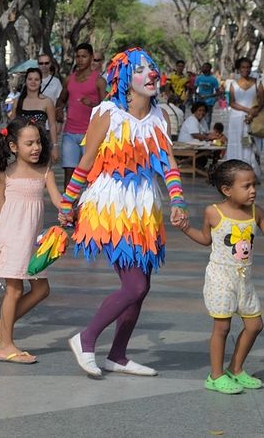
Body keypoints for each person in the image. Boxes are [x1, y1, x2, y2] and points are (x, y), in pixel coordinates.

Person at [60, 47, 187, 379]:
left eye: (152, 67)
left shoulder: (160, 117)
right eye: (141, 69)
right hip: (109, 208)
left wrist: (178, 200)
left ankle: (117, 354)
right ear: (125, 79)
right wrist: (66, 204)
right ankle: (86, 338)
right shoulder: (108, 113)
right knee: (134, 287)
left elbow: (169, 164)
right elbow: (85, 163)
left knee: (142, 285)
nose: (151, 73)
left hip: (143, 209)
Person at [177, 160, 264, 394]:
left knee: (255, 325)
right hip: (220, 278)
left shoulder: (257, 213)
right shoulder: (213, 212)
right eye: (246, 186)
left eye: (254, 184)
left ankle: (235, 369)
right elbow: (206, 239)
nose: (253, 190)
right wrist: (186, 229)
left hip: (244, 280)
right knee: (222, 327)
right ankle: (215, 376)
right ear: (227, 190)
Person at [0, 118, 61, 365]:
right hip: (12, 236)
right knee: (15, 290)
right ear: (14, 146)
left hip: (32, 241)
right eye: (29, 143)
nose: (36, 147)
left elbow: (59, 200)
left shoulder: (45, 170)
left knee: (41, 289)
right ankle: (5, 346)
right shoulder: (7, 173)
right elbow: (0, 203)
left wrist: (73, 209)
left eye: (38, 142)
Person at [56, 43, 107, 187]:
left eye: (84, 56)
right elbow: (61, 99)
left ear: (91, 58)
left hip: (91, 134)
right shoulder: (69, 80)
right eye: (77, 56)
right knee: (69, 172)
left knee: (90, 172)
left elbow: (108, 108)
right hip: (70, 133)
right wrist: (59, 110)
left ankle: (88, 206)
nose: (80, 60)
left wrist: (92, 104)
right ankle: (67, 207)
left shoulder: (99, 81)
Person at [225, 58, 264, 178]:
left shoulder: (258, 83)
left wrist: (253, 113)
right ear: (239, 69)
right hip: (236, 119)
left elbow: (262, 101)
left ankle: (250, 172)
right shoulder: (233, 84)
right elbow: (231, 102)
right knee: (236, 143)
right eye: (243, 67)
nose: (246, 70)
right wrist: (247, 110)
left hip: (252, 119)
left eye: (248, 67)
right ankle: (235, 172)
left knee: (249, 144)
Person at [9, 67, 59, 161]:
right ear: (26, 81)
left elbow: (52, 125)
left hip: (41, 145)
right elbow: (12, 124)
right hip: (22, 146)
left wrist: (55, 146)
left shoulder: (47, 102)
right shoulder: (17, 101)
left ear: (41, 82)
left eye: (36, 79)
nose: (33, 82)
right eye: (30, 79)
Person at [194, 62, 221, 128]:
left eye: (205, 67)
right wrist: (198, 95)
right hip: (200, 102)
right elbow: (194, 89)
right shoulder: (199, 78)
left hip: (209, 103)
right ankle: (199, 133)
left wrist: (209, 97)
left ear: (209, 68)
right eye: (203, 67)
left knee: (207, 119)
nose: (203, 68)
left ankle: (206, 133)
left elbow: (218, 92)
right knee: (198, 119)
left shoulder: (213, 79)